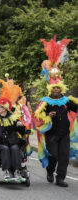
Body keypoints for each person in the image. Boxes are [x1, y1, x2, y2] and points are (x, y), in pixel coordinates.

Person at [33, 36, 78, 187]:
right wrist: (47, 116)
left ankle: (60, 178)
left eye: (59, 88)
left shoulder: (66, 101)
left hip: (64, 133)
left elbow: (75, 109)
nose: (57, 90)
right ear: (51, 89)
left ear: (61, 89)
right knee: (53, 155)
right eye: (55, 88)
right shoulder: (45, 101)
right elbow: (37, 116)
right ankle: (50, 171)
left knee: (64, 157)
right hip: (51, 134)